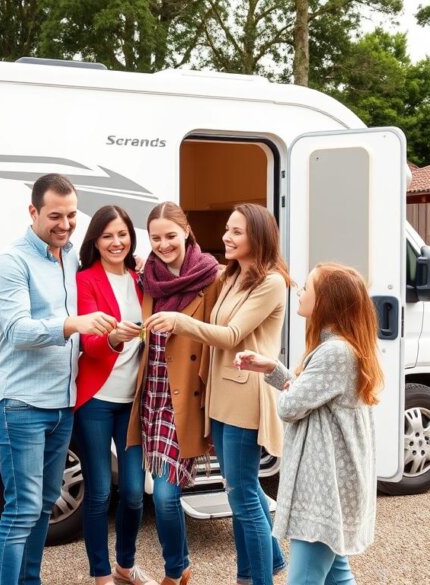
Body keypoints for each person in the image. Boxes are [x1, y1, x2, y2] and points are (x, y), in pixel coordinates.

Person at [0, 173, 117, 585]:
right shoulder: (11, 262)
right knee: (21, 508)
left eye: (72, 215)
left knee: (43, 505)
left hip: (61, 407)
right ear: (33, 212)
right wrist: (71, 324)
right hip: (21, 406)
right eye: (55, 216)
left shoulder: (70, 258)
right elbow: (17, 330)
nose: (65, 224)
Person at [147, 203, 289, 585]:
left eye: (236, 232)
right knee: (241, 488)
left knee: (242, 497)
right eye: (227, 229)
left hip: (245, 399)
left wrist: (179, 321)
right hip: (221, 398)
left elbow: (230, 336)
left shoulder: (272, 282)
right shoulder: (230, 276)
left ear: (257, 237)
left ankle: (259, 578)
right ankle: (257, 570)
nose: (226, 237)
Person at [235, 263, 382, 585]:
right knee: (337, 577)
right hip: (332, 486)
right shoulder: (341, 347)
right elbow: (311, 396)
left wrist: (289, 388)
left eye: (308, 288)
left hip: (324, 489)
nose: (300, 292)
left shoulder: (334, 352)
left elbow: (291, 407)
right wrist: (273, 369)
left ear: (327, 301)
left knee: (304, 579)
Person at [127, 202, 221, 585]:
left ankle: (174, 570)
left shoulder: (212, 277)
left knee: (166, 496)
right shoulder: (147, 277)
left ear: (187, 230)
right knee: (157, 495)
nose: (163, 244)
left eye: (170, 235)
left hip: (188, 401)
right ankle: (180, 568)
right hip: (152, 396)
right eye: (155, 238)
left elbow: (222, 336)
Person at [73, 206, 156, 585]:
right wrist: (112, 338)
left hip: (132, 402)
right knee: (99, 492)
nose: (116, 242)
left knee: (136, 493)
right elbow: (89, 345)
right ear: (96, 241)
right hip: (96, 401)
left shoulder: (142, 279)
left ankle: (125, 564)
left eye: (122, 234)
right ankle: (101, 574)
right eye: (107, 236)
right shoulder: (86, 280)